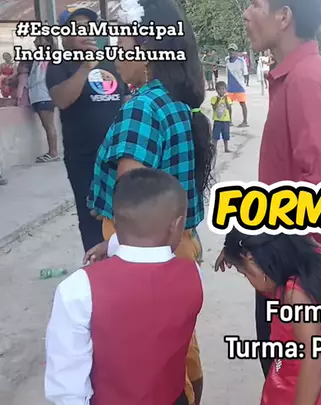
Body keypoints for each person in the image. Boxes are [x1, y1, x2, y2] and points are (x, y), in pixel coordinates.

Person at [86, 0, 214, 402]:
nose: (115, 50)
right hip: (176, 246)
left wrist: (113, 247)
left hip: (144, 254)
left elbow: (134, 201)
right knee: (180, 350)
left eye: (122, 40)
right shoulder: (174, 103)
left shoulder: (142, 108)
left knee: (150, 363)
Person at [243, 0, 321, 377]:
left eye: (255, 4)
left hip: (292, 274)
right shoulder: (297, 75)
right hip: (285, 266)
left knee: (290, 382)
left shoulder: (306, 80)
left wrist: (299, 283)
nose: (246, 14)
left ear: (284, 16)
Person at [45, 168, 203, 405]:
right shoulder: (194, 276)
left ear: (115, 222)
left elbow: (67, 384)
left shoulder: (78, 288)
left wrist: (111, 245)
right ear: (177, 225)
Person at [215, 231, 321, 405]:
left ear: (252, 259)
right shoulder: (313, 254)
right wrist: (235, 247)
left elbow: (314, 361)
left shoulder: (295, 296)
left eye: (245, 273)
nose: (249, 280)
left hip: (305, 389)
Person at [46, 7, 128, 252]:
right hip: (84, 159)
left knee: (125, 212)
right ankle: (97, 266)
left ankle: (124, 262)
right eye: (79, 28)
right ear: (65, 36)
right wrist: (85, 68)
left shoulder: (111, 63)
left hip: (117, 155)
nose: (87, 33)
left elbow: (124, 100)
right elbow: (61, 100)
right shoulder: (59, 64)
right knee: (91, 216)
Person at [29, 36, 60, 163]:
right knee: (47, 125)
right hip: (39, 95)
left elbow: (39, 77)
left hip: (44, 95)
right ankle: (52, 151)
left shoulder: (47, 58)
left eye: (39, 40)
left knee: (48, 125)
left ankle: (53, 152)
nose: (35, 42)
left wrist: (29, 83)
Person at [225, 43, 249, 127]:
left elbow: (245, 73)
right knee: (228, 104)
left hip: (239, 86)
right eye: (230, 50)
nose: (231, 52)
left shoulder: (241, 61)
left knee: (242, 104)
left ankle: (245, 121)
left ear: (236, 52)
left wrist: (245, 84)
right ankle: (229, 121)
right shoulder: (227, 60)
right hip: (230, 86)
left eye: (233, 50)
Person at [211, 81, 233, 153]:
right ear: (216, 90)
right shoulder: (214, 98)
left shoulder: (228, 98)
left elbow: (229, 108)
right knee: (215, 136)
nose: (221, 91)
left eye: (223, 89)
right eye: (219, 89)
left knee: (226, 135)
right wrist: (218, 100)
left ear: (226, 90)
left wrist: (230, 119)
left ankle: (226, 148)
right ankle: (214, 149)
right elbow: (214, 108)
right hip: (217, 120)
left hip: (226, 120)